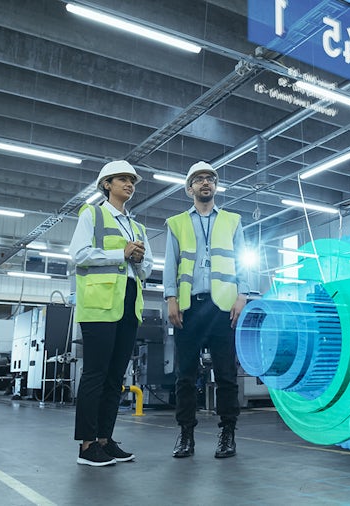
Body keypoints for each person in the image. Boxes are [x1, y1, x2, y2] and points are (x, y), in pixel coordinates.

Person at [69, 160, 153, 466]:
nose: (129, 185)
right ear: (107, 184)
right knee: (95, 374)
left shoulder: (137, 226)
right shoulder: (92, 214)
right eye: (122, 180)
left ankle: (105, 439)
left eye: (132, 181)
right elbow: (78, 255)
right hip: (99, 305)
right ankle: (87, 446)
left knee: (115, 376)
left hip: (129, 303)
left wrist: (140, 259)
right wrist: (122, 253)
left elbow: (146, 269)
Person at [165, 161, 248, 459]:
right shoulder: (176, 223)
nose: (205, 183)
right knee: (185, 375)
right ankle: (185, 434)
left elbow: (242, 260)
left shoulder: (233, 220)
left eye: (210, 179)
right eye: (199, 179)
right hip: (189, 306)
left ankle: (228, 434)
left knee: (226, 375)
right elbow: (170, 264)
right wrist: (170, 298)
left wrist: (243, 295)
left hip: (223, 306)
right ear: (190, 189)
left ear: (215, 186)